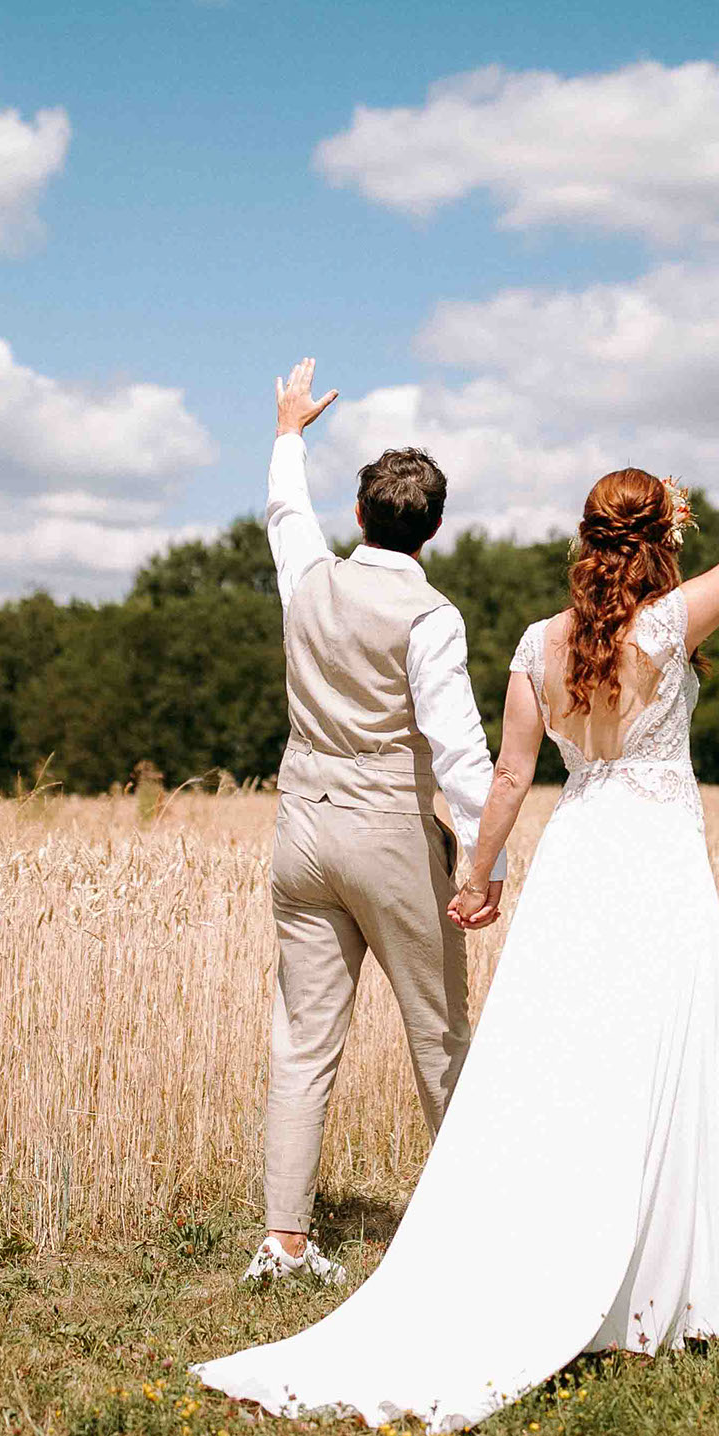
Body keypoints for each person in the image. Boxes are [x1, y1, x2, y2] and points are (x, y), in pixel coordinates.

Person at [196, 398, 719, 1429]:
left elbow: (514, 774)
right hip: (654, 858)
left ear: (583, 539)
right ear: (661, 540)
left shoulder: (531, 644)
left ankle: (483, 1239)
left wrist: (480, 875)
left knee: (565, 1062)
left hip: (570, 858)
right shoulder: (670, 623)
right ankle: (661, 1284)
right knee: (659, 1057)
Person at [241, 358, 507, 1286]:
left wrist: (288, 433)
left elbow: (283, 515)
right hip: (393, 829)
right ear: (434, 529)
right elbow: (461, 750)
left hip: (300, 827)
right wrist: (485, 862)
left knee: (302, 1037)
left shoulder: (309, 578)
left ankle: (282, 1241)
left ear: (359, 517)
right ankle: (478, 1222)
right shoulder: (432, 615)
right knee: (438, 1031)